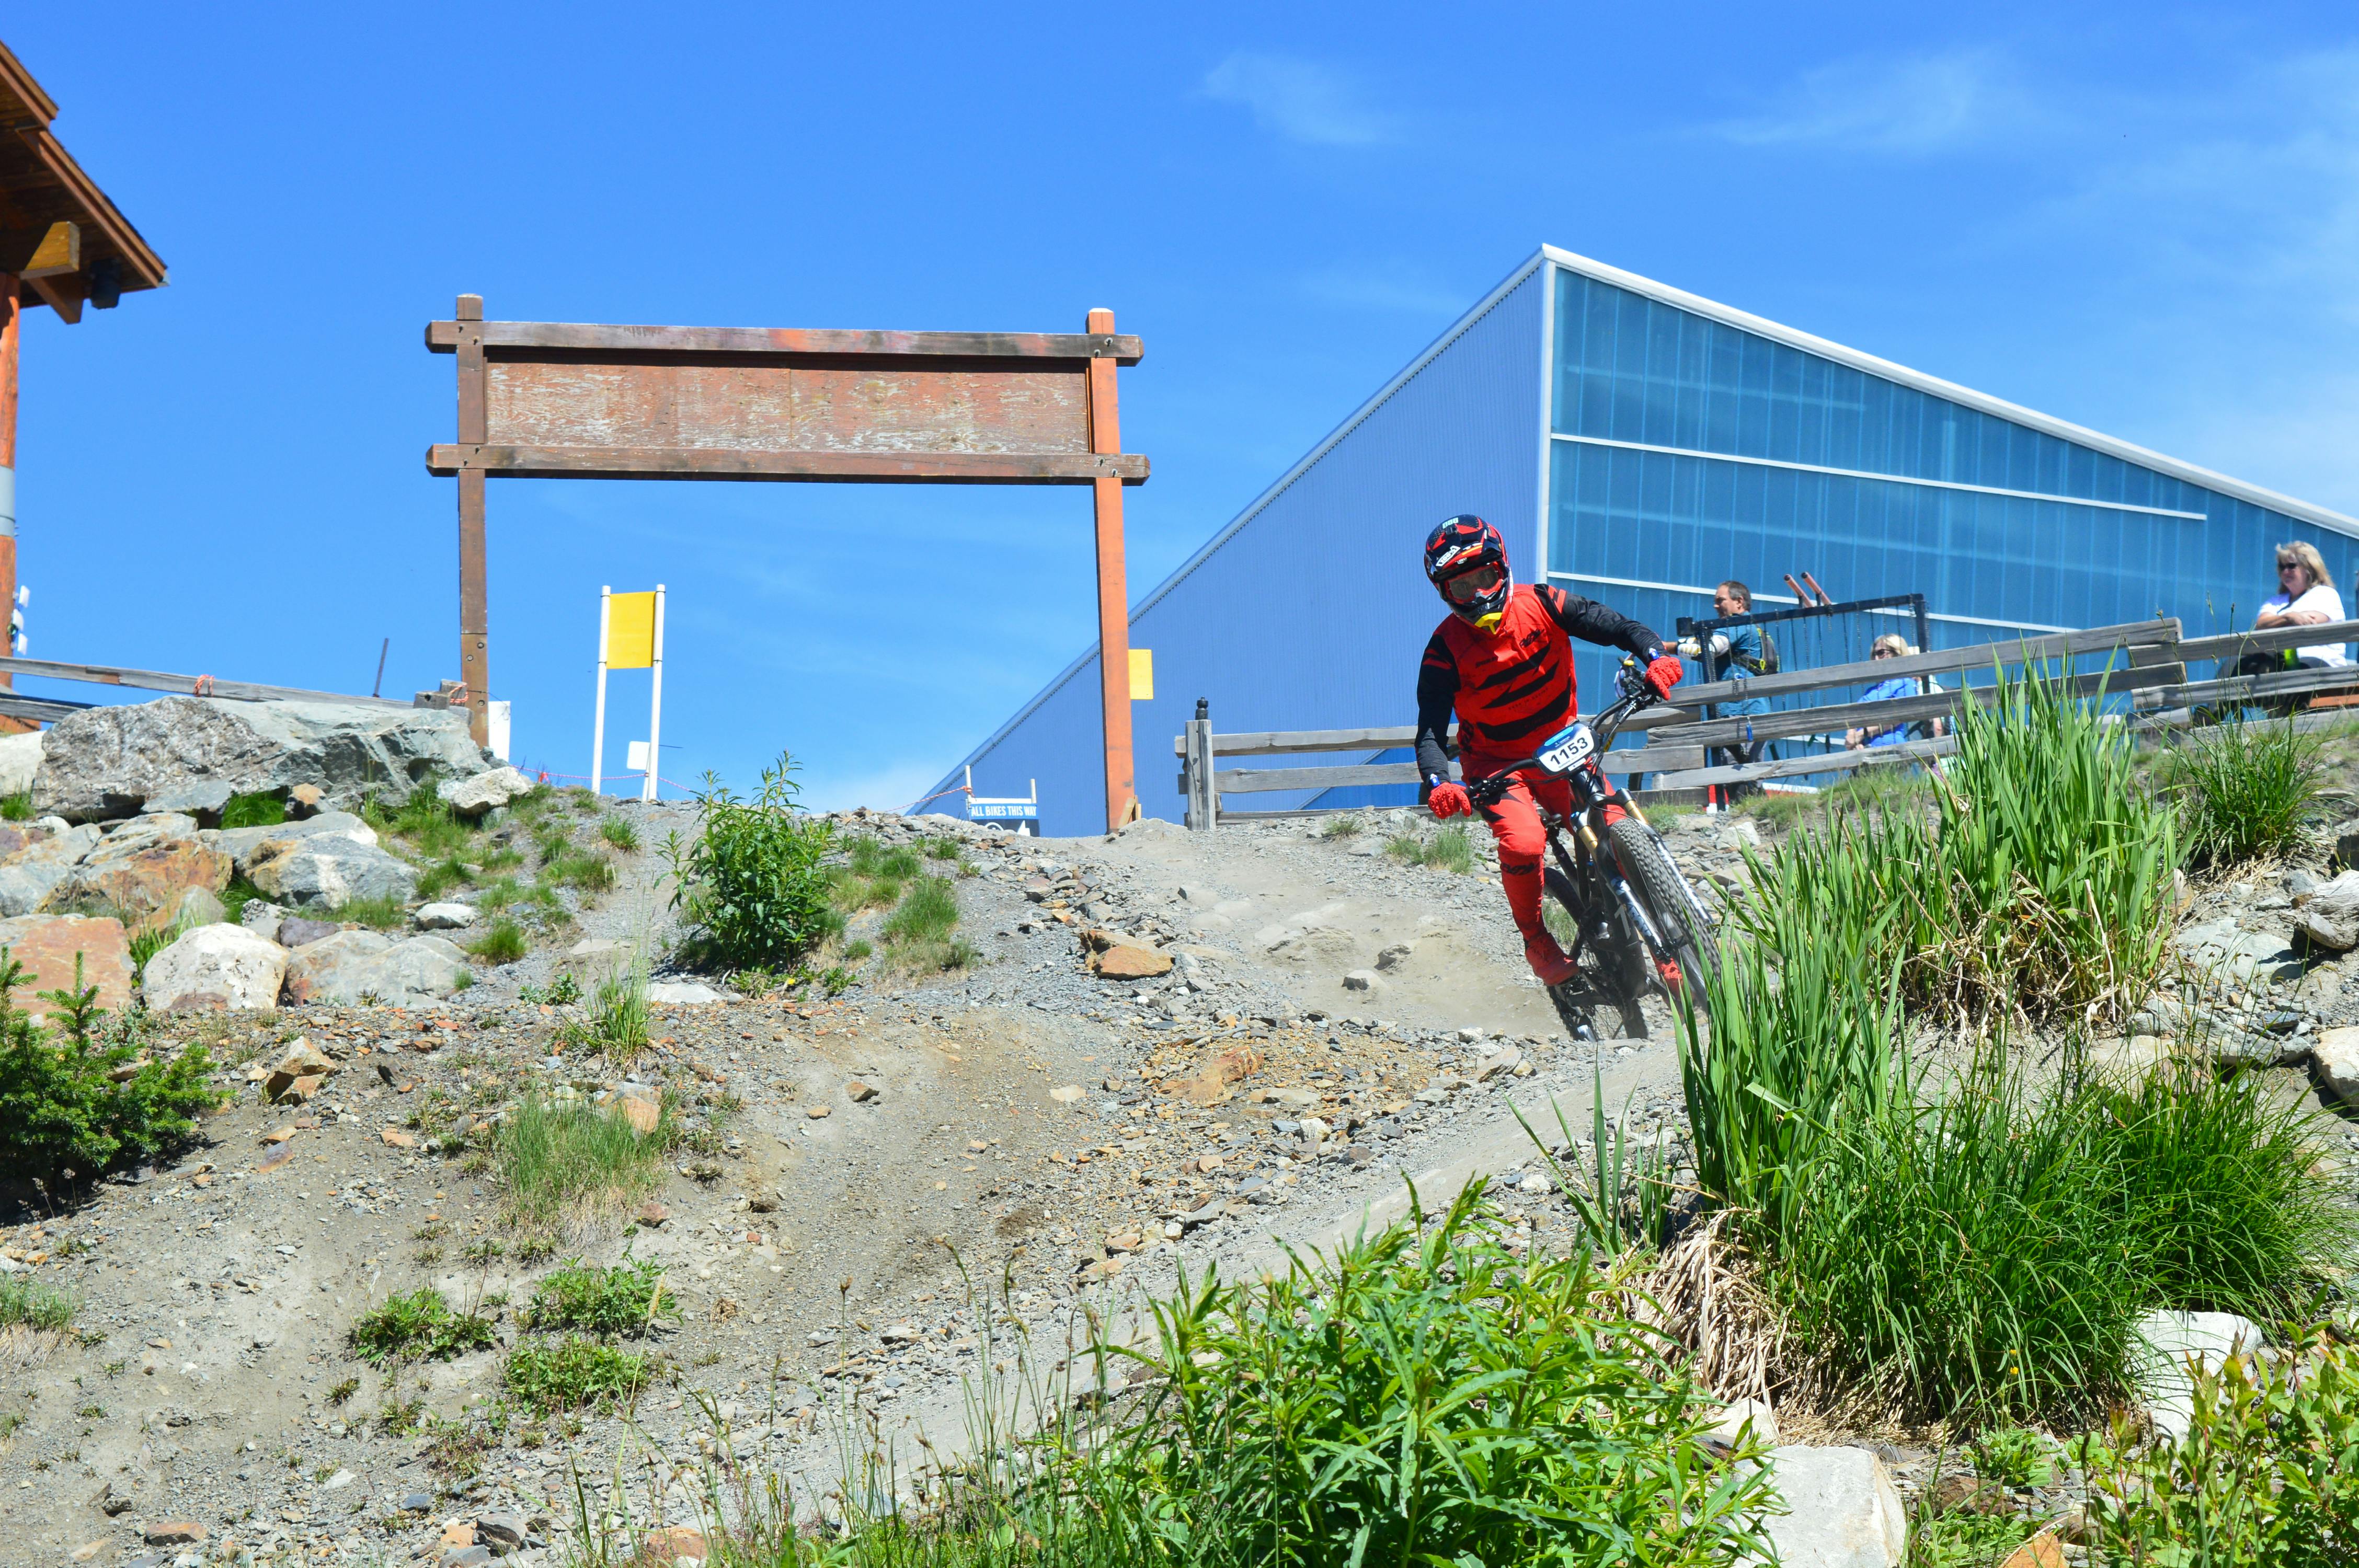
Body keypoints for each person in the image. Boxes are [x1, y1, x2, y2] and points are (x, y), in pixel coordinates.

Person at [1412, 514, 1682, 986]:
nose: (1478, 595)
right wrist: (1439, 783)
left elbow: (1620, 627)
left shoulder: (1544, 602)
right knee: (1525, 841)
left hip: (1563, 743)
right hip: (1498, 765)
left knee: (1614, 826)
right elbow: (1431, 734)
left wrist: (1657, 656)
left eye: (1485, 578)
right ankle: (1536, 938)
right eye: (1462, 588)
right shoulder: (1443, 651)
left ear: (1504, 567)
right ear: (1444, 595)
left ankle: (1668, 937)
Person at [1677, 580, 1776, 794]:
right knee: (1748, 782)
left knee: (1738, 781)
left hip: (1740, 715)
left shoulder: (1736, 624)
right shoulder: (1753, 628)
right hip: (1752, 712)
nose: (1715, 606)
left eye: (1720, 600)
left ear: (1739, 602)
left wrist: (1669, 647)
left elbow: (1712, 648)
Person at [2238, 542, 2350, 689]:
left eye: (2291, 566)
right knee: (2237, 664)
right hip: (2282, 663)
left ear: (2309, 568)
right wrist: (2290, 617)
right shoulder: (2276, 601)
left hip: (2320, 664)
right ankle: (2210, 711)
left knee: (2299, 672)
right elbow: (2261, 624)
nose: (2286, 571)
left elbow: (2312, 621)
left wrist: (2277, 621)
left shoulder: (2325, 593)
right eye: (2282, 567)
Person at [1843, 633, 1949, 749]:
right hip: (1864, 750)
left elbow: (1899, 717)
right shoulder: (1871, 690)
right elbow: (1855, 717)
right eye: (1874, 654)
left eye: (1881, 653)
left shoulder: (1906, 683)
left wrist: (1861, 735)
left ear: (1897, 654)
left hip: (1890, 748)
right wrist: (1852, 738)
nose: (1876, 658)